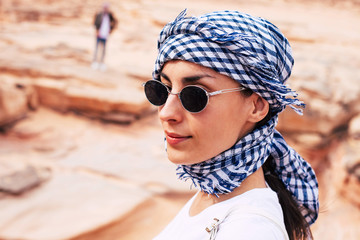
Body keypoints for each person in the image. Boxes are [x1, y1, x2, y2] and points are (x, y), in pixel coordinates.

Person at [143, 9, 319, 240]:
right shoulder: (212, 194)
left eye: (195, 95)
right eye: (161, 90)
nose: (166, 113)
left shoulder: (251, 229)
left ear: (256, 106)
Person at [91, 2, 117, 71]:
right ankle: (95, 62)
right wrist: (97, 31)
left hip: (105, 35)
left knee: (103, 50)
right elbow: (95, 23)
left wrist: (111, 30)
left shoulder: (110, 15)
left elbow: (115, 22)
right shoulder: (99, 14)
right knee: (97, 49)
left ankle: (102, 63)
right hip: (99, 35)